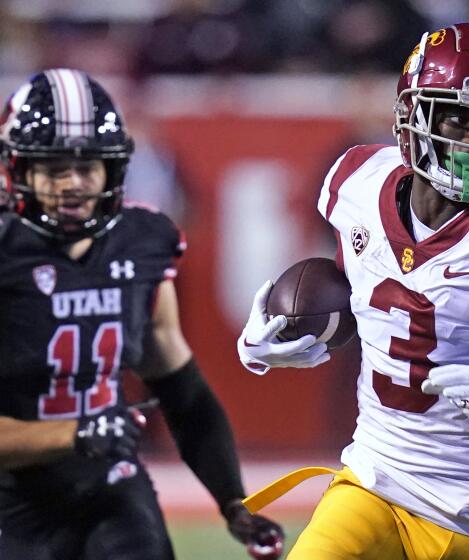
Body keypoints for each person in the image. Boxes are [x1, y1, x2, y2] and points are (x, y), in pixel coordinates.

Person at [238, 23, 469, 559]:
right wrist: (281, 338)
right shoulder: (357, 181)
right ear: (413, 113)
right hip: (375, 479)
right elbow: (368, 304)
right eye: (459, 118)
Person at [0, 69, 284, 560]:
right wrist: (75, 433)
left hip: (108, 484)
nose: (73, 183)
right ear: (19, 171)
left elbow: (184, 394)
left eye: (87, 166)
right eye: (55, 168)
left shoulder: (143, 243)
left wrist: (233, 501)